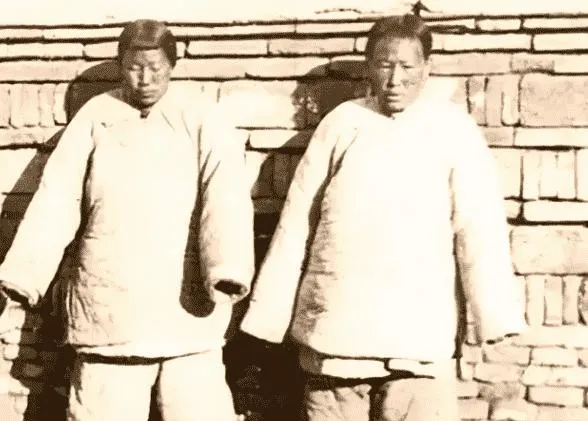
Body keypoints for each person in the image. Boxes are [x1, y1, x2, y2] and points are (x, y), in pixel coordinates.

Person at [240, 14, 526, 421]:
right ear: (368, 67)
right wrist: (269, 315)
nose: (395, 79)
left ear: (426, 67)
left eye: (407, 66)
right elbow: (297, 223)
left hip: (417, 338)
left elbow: (478, 227)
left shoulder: (452, 129)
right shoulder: (342, 123)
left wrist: (493, 314)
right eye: (384, 65)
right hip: (338, 333)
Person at [0, 19, 254, 421]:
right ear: (121, 66)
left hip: (186, 311)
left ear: (172, 65)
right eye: (134, 68)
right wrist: (23, 276)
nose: (145, 79)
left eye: (155, 68)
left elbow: (225, 197)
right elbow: (58, 196)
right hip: (109, 309)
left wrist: (227, 267)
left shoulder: (201, 117)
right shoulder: (97, 115)